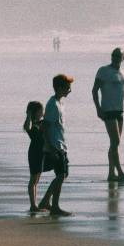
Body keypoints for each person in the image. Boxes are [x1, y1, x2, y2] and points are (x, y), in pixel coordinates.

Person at [92, 47, 124, 182]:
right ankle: (119, 172)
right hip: (108, 109)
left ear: (123, 58)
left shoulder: (123, 72)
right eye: (114, 55)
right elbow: (94, 90)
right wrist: (98, 108)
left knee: (114, 144)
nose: (115, 58)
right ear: (111, 56)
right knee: (116, 141)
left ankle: (111, 173)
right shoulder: (103, 70)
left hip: (120, 110)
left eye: (118, 56)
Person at [38, 74, 73, 217]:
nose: (69, 90)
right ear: (59, 88)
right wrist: (49, 146)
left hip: (61, 144)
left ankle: (50, 203)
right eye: (67, 88)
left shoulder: (60, 103)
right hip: (55, 145)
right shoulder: (52, 104)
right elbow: (45, 127)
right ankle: (50, 204)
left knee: (62, 175)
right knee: (61, 174)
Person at [23, 101, 46, 212]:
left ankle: (34, 205)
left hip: (41, 153)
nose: (43, 112)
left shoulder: (41, 122)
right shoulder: (32, 125)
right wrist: (28, 114)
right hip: (34, 153)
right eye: (41, 110)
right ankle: (33, 205)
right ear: (36, 112)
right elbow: (27, 127)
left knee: (36, 180)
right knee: (33, 179)